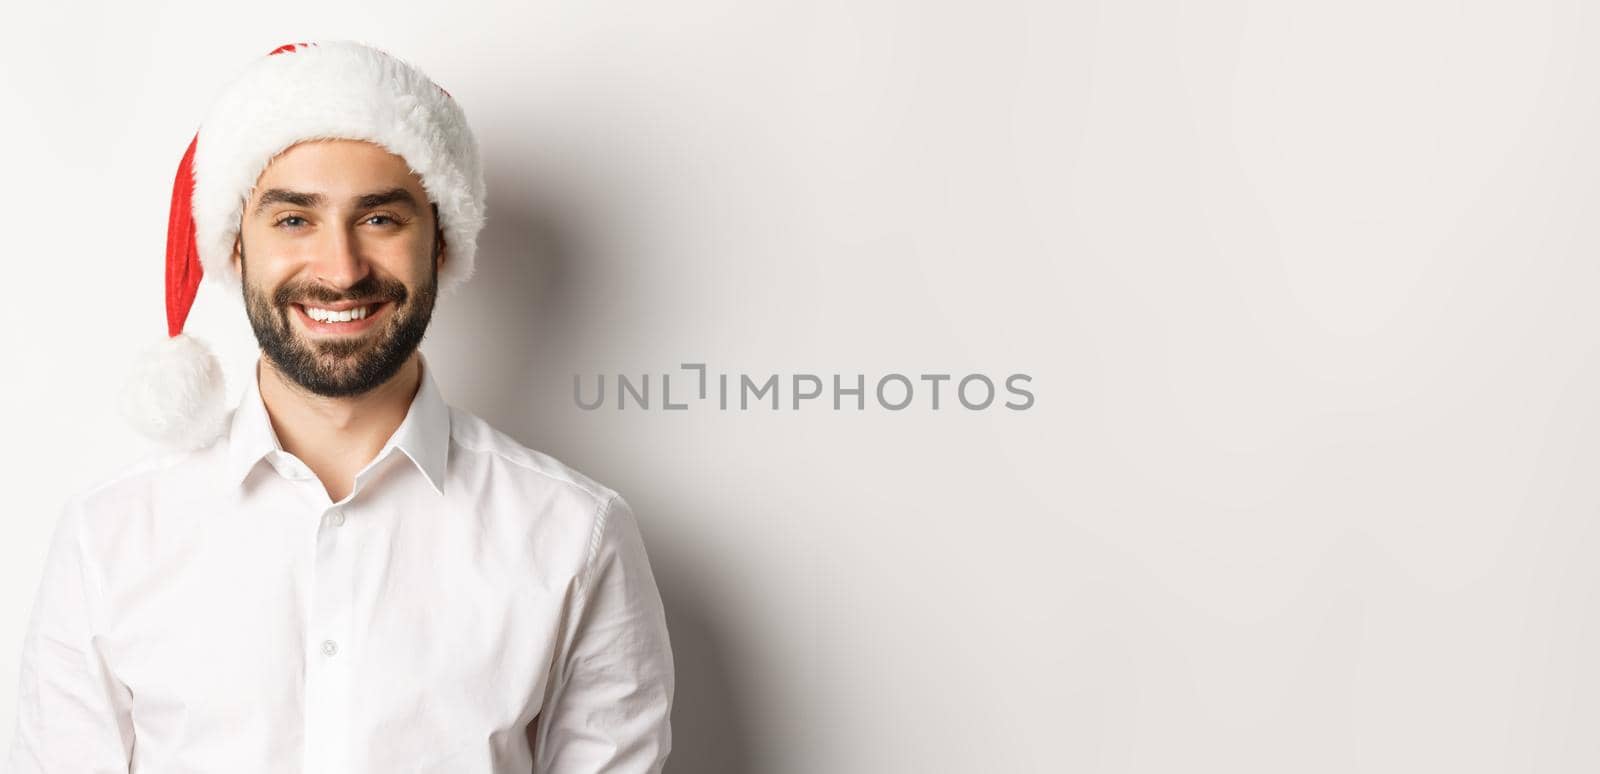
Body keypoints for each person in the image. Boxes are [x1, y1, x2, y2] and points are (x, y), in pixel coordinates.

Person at [4, 40, 674, 773]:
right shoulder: (108, 541)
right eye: (294, 220)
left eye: (381, 220)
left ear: (442, 244)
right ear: (234, 249)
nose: (341, 269)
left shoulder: (576, 537)